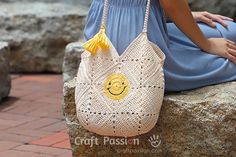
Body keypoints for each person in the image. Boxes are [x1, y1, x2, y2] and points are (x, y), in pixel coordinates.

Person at [83, 0, 236, 93]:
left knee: (229, 30)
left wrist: (186, 15)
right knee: (231, 60)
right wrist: (208, 45)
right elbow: (171, 3)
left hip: (105, 30)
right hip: (138, 51)